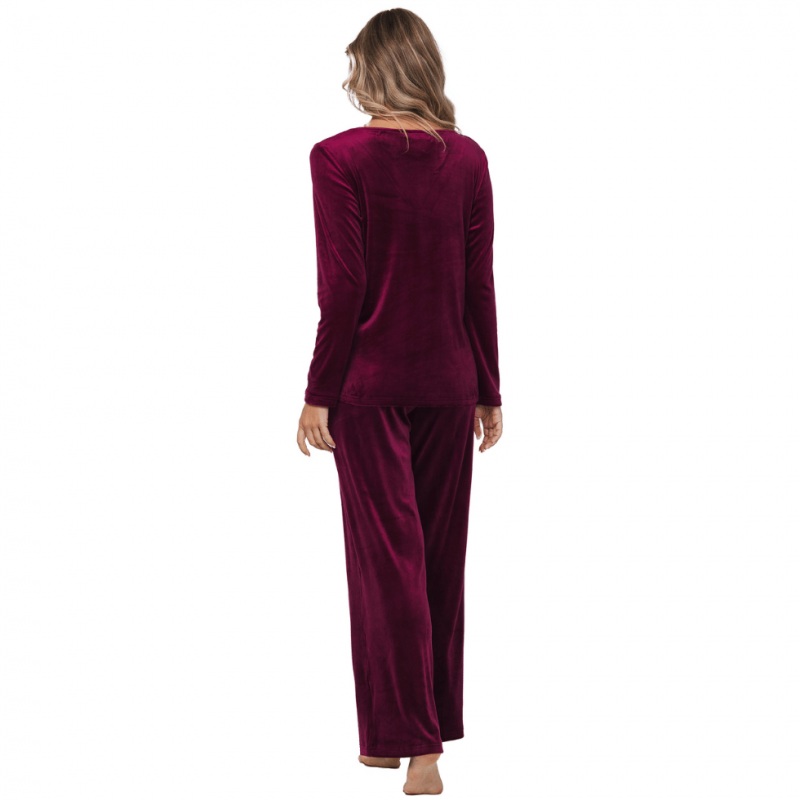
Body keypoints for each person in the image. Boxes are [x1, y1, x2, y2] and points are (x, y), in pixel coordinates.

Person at [296, 8, 503, 795]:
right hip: (451, 381)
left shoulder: (338, 157)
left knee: (387, 567)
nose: (350, 81)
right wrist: (489, 386)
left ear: (374, 70)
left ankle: (419, 748)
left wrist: (318, 392)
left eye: (356, 67)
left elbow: (343, 287)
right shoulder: (468, 158)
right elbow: (478, 282)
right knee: (437, 564)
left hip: (370, 388)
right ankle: (399, 735)